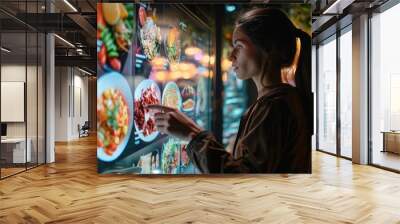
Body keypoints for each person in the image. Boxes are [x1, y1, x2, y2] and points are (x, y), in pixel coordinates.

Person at [148, 8, 312, 173]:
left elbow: (243, 181)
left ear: (268, 48)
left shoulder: (274, 106)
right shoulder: (279, 99)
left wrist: (193, 135)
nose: (231, 56)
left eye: (239, 46)